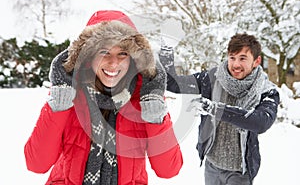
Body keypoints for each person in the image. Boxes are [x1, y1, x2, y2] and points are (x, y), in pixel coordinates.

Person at [24, 10, 183, 185]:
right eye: (104, 52)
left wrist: (156, 118)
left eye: (122, 53)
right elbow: (37, 164)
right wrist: (57, 108)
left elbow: (168, 170)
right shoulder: (69, 94)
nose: (113, 63)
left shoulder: (145, 99)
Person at [159, 33, 280, 185]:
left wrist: (216, 109)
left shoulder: (266, 90)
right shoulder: (212, 78)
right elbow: (173, 84)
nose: (236, 64)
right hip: (212, 166)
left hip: (240, 172)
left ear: (256, 61)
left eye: (242, 58)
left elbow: (261, 122)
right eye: (232, 57)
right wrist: (166, 50)